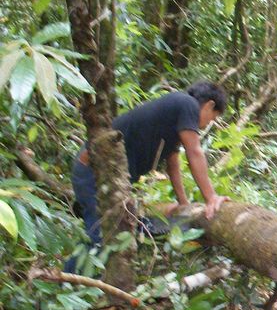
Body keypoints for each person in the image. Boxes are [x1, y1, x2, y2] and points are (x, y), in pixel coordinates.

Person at [68, 81, 228, 265]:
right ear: (209, 105)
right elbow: (194, 152)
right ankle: (68, 278)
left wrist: (183, 204)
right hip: (93, 171)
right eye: (213, 117)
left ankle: (80, 277)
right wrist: (211, 198)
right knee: (100, 237)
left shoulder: (176, 113)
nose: (208, 124)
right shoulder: (188, 104)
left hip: (102, 173)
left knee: (115, 233)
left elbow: (173, 164)